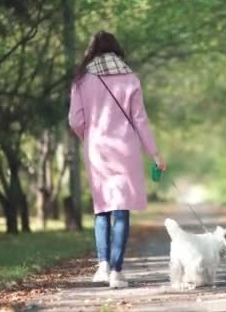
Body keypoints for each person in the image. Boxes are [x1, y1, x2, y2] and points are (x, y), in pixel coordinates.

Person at [68, 31, 166, 289]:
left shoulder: (81, 80)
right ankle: (117, 273)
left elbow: (75, 120)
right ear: (116, 49)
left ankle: (102, 265)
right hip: (126, 149)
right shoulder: (131, 78)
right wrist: (155, 154)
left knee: (102, 207)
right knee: (121, 209)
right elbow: (140, 120)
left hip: (97, 148)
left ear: (92, 51)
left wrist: (88, 137)